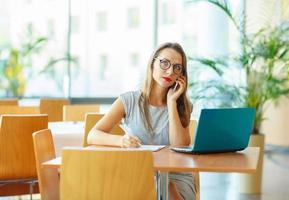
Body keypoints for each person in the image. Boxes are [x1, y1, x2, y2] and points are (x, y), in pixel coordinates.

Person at [87, 42, 196, 200]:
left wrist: (172, 102)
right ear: (153, 63)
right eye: (164, 63)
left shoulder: (182, 105)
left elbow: (180, 145)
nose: (170, 71)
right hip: (140, 173)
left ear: (181, 74)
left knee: (166, 189)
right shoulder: (128, 100)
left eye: (177, 67)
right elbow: (93, 135)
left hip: (175, 176)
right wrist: (122, 141)